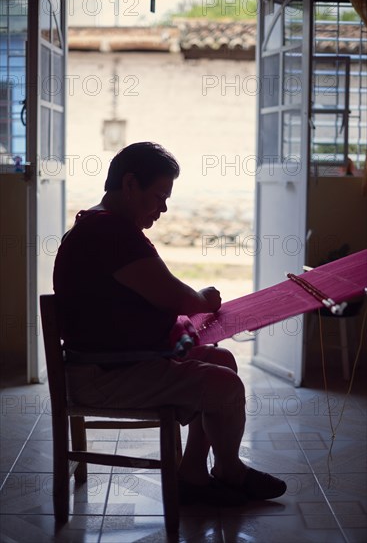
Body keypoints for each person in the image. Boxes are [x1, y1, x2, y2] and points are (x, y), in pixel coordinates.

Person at [53, 142, 287, 505]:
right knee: (224, 386)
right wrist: (204, 299)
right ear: (130, 185)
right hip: (102, 376)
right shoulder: (109, 233)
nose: (163, 207)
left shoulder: (100, 227)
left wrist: (194, 300)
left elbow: (156, 289)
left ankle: (194, 474)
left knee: (221, 360)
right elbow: (174, 297)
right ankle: (229, 472)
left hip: (115, 364)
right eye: (159, 195)